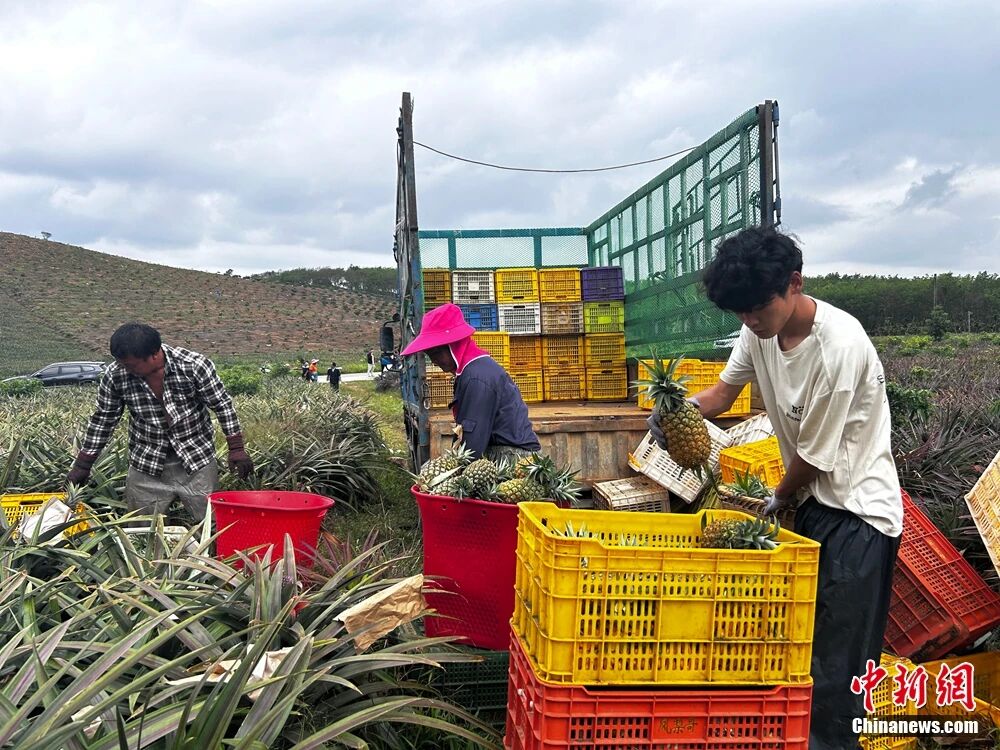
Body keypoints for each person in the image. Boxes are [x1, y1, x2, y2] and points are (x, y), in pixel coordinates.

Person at [646, 227, 902, 750]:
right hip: (810, 506)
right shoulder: (759, 330)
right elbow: (723, 391)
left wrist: (776, 498)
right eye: (739, 312)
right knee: (795, 654)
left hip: (858, 517)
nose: (749, 321)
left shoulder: (839, 348)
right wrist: (678, 412)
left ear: (794, 283)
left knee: (837, 672)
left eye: (757, 308)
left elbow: (812, 457)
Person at [65, 323, 254, 523]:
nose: (124, 369)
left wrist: (236, 448)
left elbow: (222, 405)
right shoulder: (116, 375)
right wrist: (83, 465)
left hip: (196, 458)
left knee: (209, 524)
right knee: (141, 528)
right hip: (146, 461)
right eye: (121, 363)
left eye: (131, 364)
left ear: (154, 354)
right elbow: (104, 419)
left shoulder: (194, 365)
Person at [401, 303, 541, 461]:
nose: (434, 361)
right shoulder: (473, 370)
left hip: (513, 457)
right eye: (429, 355)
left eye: (436, 353)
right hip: (501, 451)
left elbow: (472, 442)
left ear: (453, 346)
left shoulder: (476, 377)